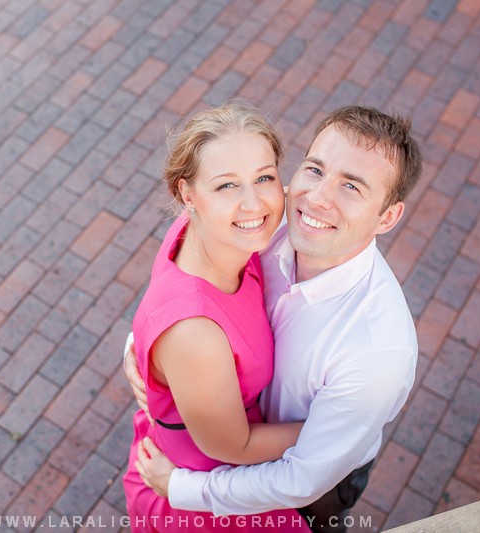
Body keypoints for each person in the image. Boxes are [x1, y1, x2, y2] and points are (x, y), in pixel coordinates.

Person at [127, 105, 423, 532]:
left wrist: (182, 490)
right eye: (316, 170)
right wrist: (143, 350)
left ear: (388, 217)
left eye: (351, 187)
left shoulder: (376, 353)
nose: (319, 198)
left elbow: (301, 479)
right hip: (215, 442)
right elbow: (187, 279)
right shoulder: (263, 220)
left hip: (300, 486)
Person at [122, 103, 311, 532]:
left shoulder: (196, 232)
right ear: (188, 195)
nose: (253, 203)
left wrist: (135, 349)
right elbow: (236, 445)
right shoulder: (197, 335)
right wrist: (341, 427)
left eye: (264, 177)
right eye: (227, 185)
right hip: (209, 494)